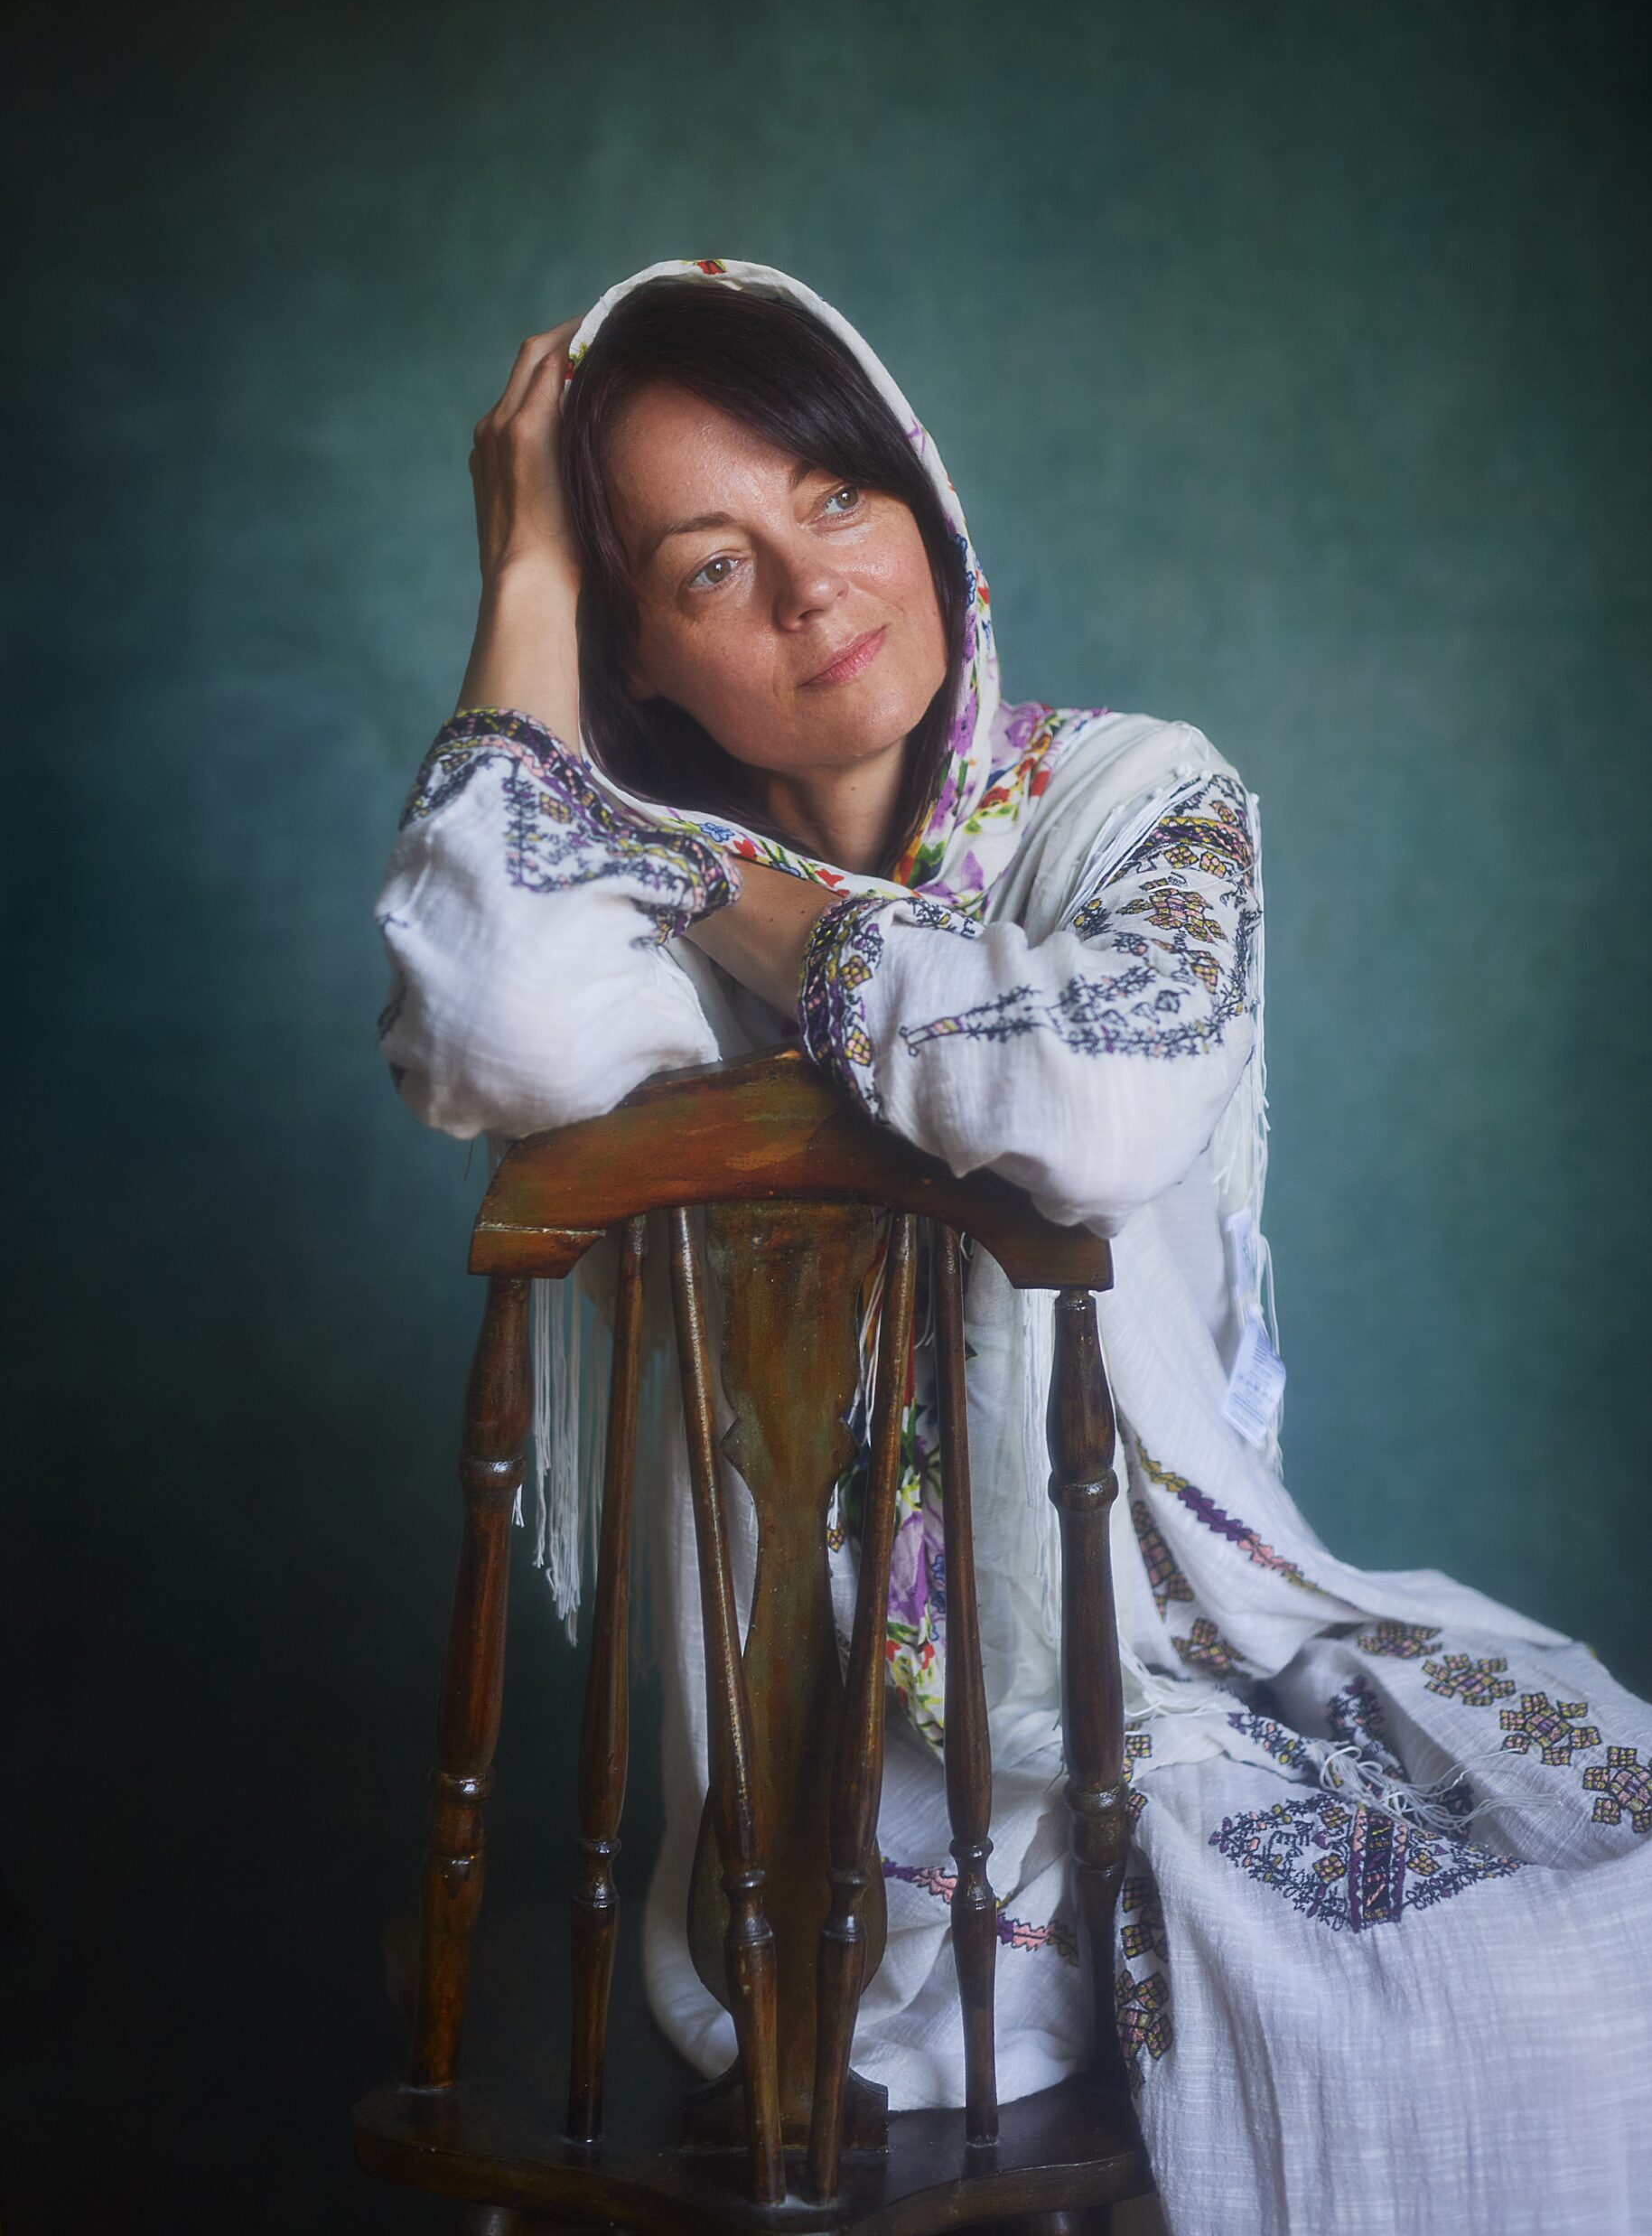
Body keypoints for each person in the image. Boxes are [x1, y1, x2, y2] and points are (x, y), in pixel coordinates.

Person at [374, 259, 1651, 2235]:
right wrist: (530, 576)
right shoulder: (609, 913)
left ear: (921, 499)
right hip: (827, 1858)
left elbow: (1101, 1101)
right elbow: (484, 1025)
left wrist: (729, 881)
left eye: (832, 494)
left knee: (1591, 1922)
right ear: (635, 659)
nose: (812, 588)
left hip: (1153, 1685)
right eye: (706, 567)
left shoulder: (1137, 799)